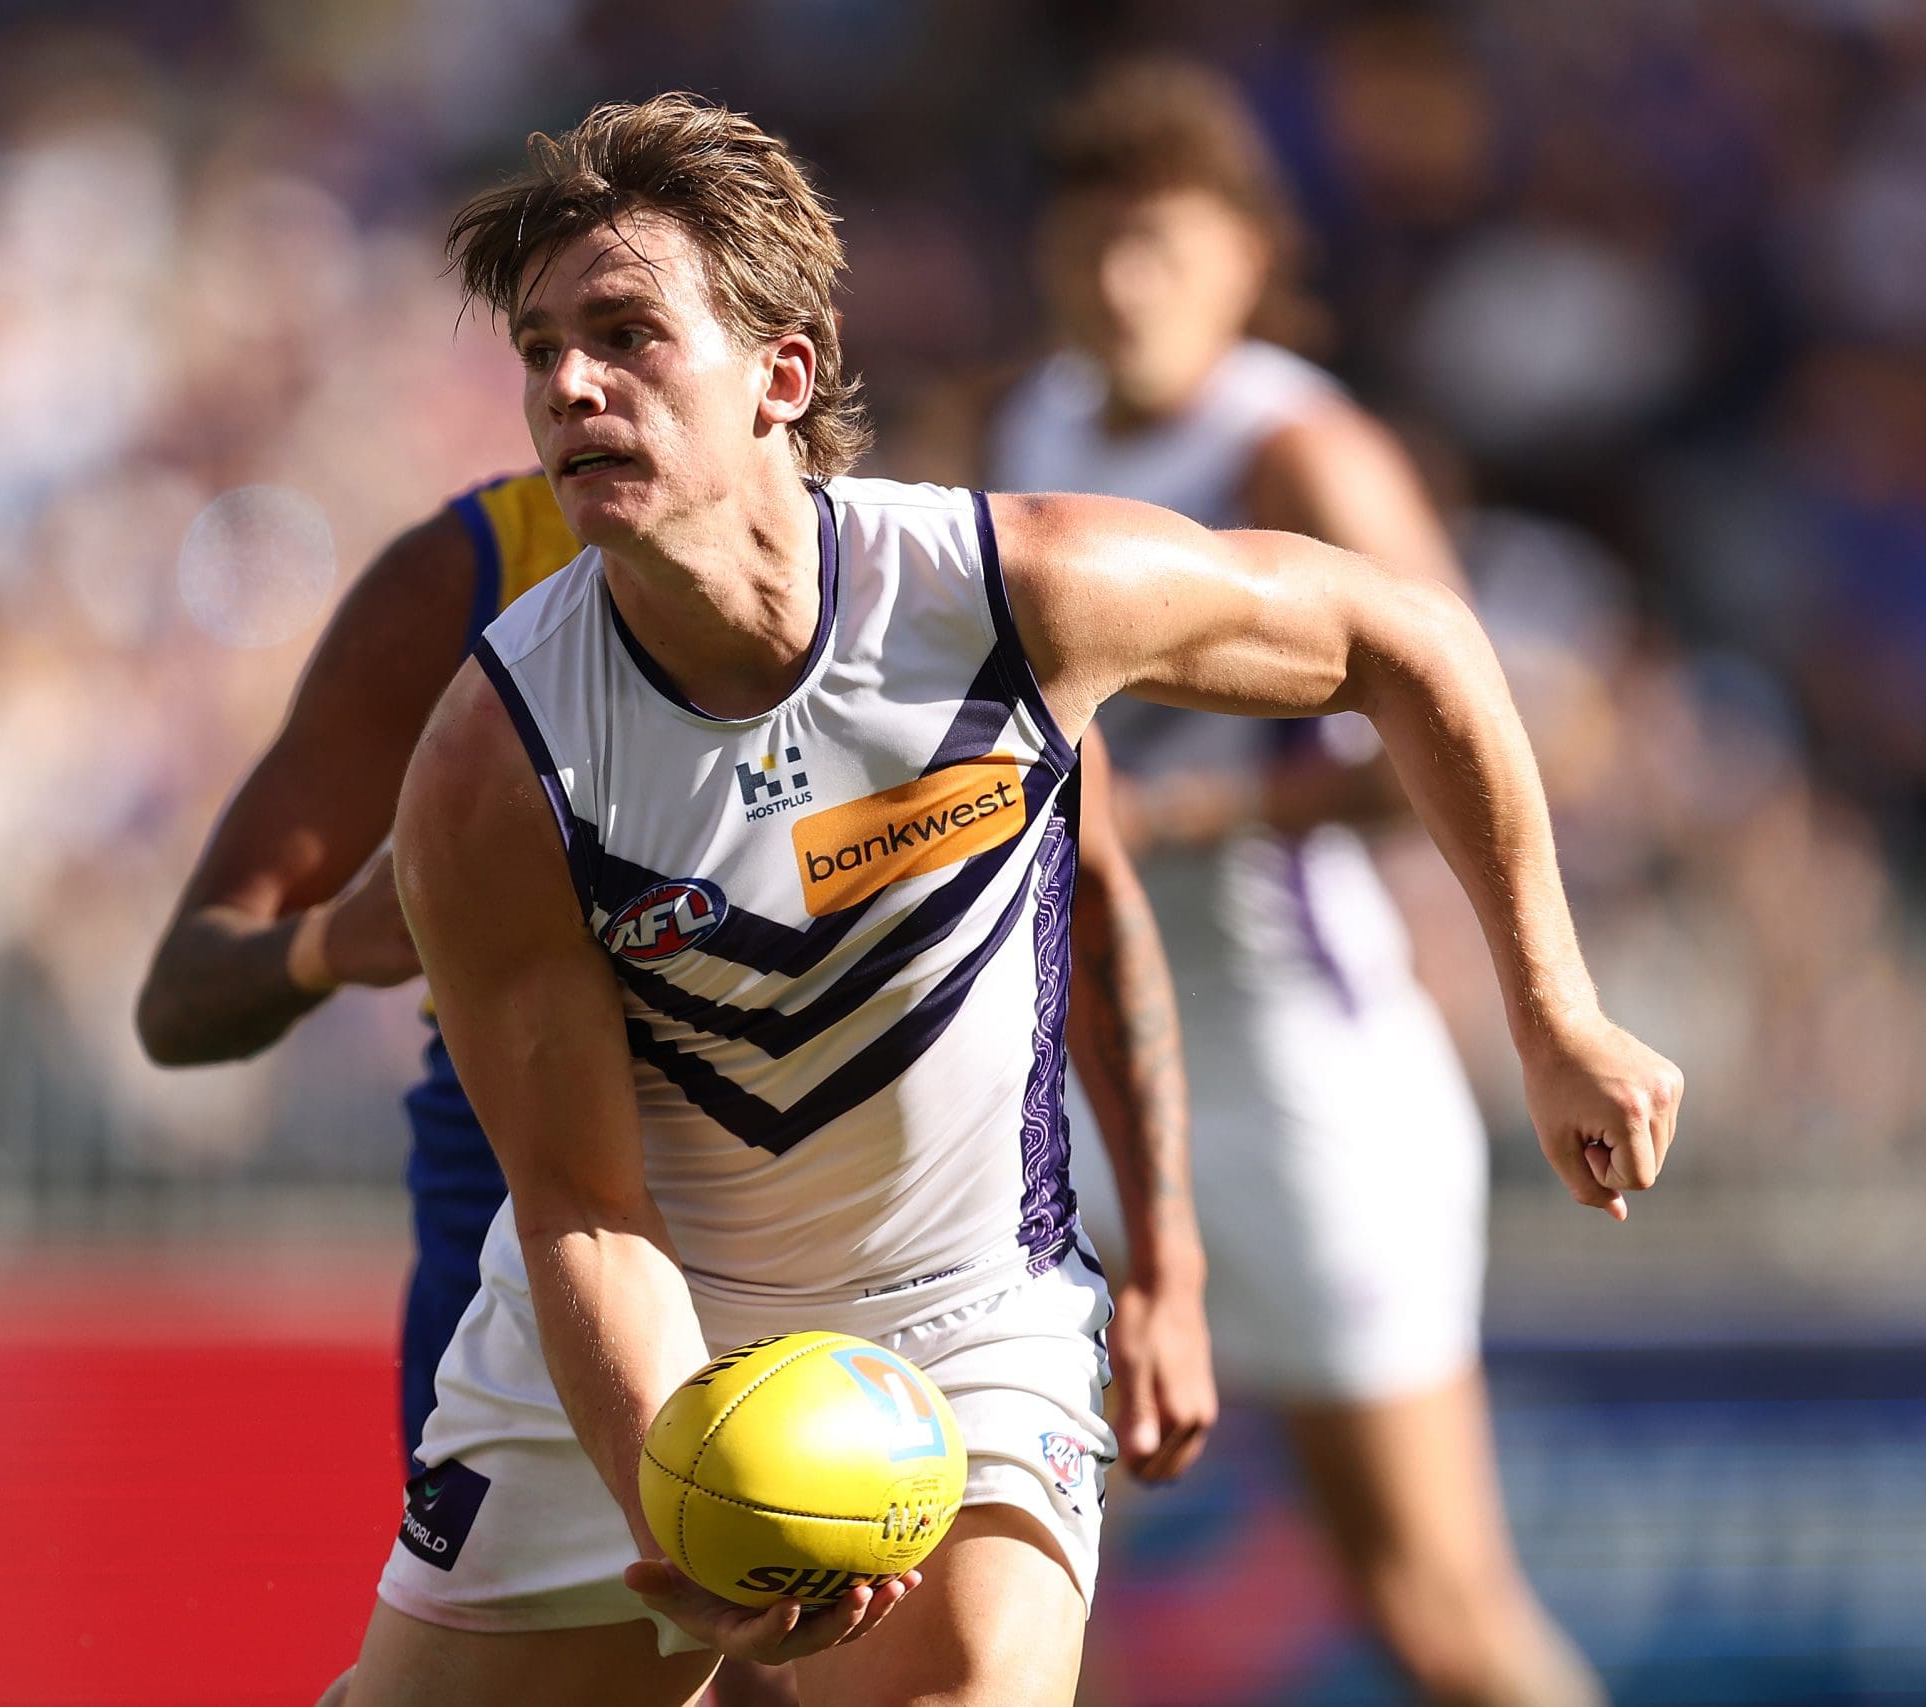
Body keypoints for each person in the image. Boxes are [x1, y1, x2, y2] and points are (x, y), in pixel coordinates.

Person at [340, 94, 1679, 1707]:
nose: (569, 384)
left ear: (784, 373)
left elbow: (1414, 639)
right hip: (630, 1345)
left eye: (626, 333)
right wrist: (682, 1501)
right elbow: (580, 1212)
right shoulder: (495, 760)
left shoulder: (1001, 592)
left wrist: (1553, 1009)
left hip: (959, 1322)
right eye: (542, 348)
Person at [138, 490, 1212, 1707]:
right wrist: (339, 939)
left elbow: (1097, 896)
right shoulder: (469, 579)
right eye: (559, 344)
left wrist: (1167, 1264)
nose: (593, 390)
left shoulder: (928, 587)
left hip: (879, 1243)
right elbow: (180, 1000)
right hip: (535, 1205)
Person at [986, 60, 1602, 1706]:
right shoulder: (1030, 426)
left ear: (1249, 257)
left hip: (1307, 1092)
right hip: (1099, 1081)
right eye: (1093, 242)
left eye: (1163, 247)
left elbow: (1459, 737)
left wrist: (1178, 819)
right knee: (1006, 1583)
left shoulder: (1300, 451)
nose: (1124, 283)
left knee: (1433, 1613)